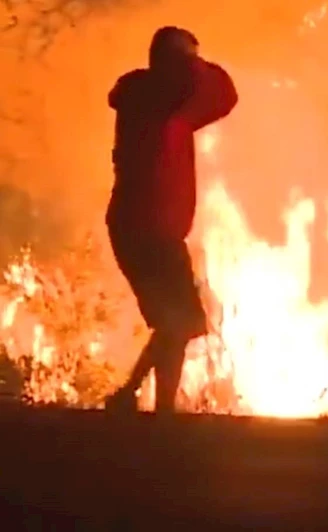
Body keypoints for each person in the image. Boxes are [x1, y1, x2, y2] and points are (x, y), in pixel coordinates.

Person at [104, 26, 238, 414]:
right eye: (187, 60)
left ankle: (147, 403)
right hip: (149, 229)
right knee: (178, 321)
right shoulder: (161, 99)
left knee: (175, 322)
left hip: (144, 227)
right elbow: (225, 92)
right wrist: (194, 63)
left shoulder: (155, 101)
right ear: (173, 62)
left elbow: (220, 99)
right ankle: (139, 400)